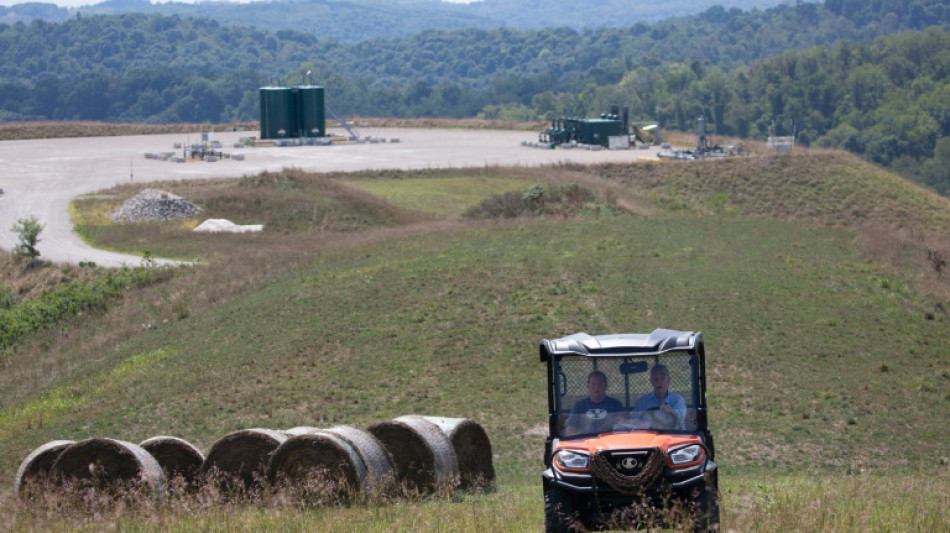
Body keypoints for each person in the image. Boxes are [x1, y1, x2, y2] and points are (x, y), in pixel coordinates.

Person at [564, 371, 624, 436]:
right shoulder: (579, 406)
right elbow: (570, 429)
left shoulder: (615, 405)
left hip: (609, 441)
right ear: (588, 386)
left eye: (599, 384)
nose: (596, 387)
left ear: (605, 386)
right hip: (586, 442)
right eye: (593, 384)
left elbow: (622, 426)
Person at [633, 364, 687, 430]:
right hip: (648, 436)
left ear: (668, 380)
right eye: (655, 379)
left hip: (673, 436)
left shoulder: (678, 400)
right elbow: (634, 422)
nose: (659, 382)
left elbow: (681, 419)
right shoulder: (641, 402)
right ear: (651, 381)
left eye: (662, 379)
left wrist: (672, 412)